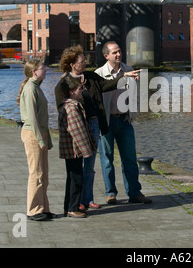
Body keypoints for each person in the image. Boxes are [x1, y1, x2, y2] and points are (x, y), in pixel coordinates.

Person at [54, 45, 140, 210]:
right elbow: (61, 108)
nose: (85, 62)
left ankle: (87, 199)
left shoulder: (90, 77)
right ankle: (76, 202)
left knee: (90, 166)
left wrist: (124, 75)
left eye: (85, 60)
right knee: (77, 167)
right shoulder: (64, 83)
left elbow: (107, 85)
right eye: (82, 61)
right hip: (79, 126)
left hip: (94, 124)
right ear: (72, 64)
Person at [95, 41, 151, 205]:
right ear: (106, 56)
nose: (118, 55)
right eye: (114, 53)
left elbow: (135, 95)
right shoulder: (99, 73)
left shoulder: (129, 70)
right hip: (107, 121)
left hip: (124, 120)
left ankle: (134, 192)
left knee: (130, 159)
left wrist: (133, 114)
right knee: (107, 159)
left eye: (119, 51)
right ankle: (111, 193)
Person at [17, 59, 54, 221]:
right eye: (42, 68)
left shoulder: (36, 87)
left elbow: (42, 117)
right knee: (36, 173)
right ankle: (33, 210)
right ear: (34, 72)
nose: (45, 70)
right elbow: (32, 118)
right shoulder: (30, 88)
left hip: (39, 133)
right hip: (33, 134)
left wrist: (47, 140)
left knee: (44, 173)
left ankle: (43, 208)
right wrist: (41, 140)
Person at [58, 75, 96, 218]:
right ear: (72, 91)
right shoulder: (72, 108)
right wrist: (87, 151)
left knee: (72, 178)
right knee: (76, 179)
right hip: (74, 150)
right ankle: (72, 208)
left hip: (70, 149)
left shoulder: (68, 105)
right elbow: (77, 131)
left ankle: (68, 206)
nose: (83, 91)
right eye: (81, 88)